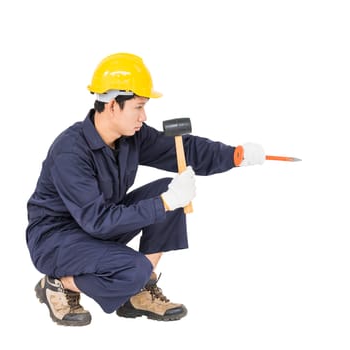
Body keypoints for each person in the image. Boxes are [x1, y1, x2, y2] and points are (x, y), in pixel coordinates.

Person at [26, 52, 265, 326]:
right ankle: (59, 284)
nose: (144, 115)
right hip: (57, 241)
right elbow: (97, 221)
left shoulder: (131, 137)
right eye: (138, 107)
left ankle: (137, 290)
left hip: (96, 229)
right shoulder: (70, 151)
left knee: (166, 189)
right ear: (113, 104)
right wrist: (164, 202)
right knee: (139, 259)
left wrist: (234, 156)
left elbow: (184, 149)